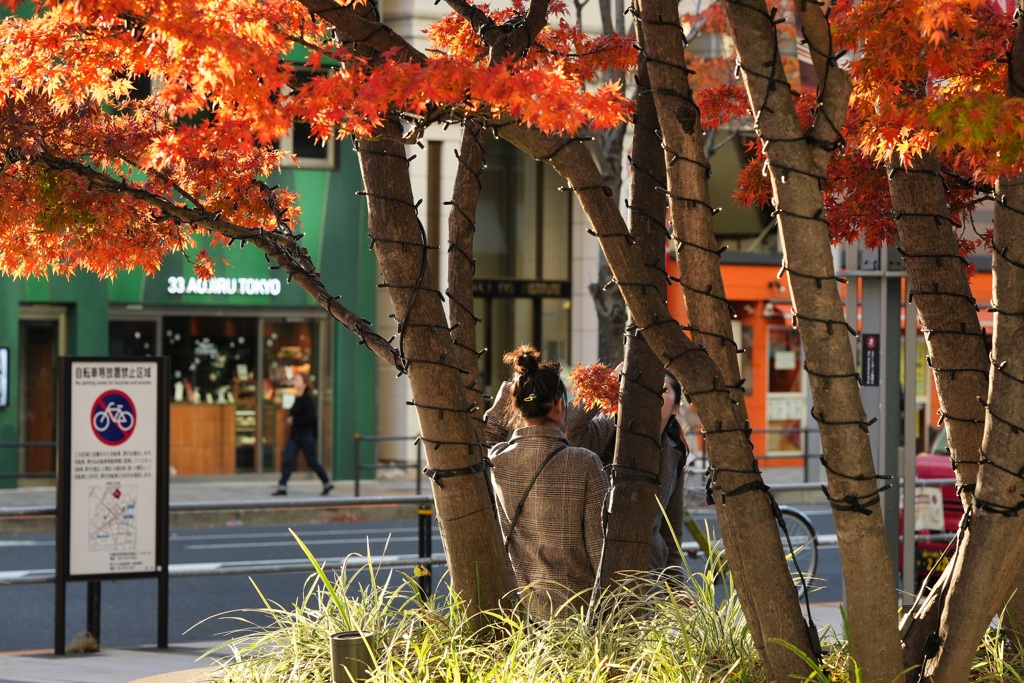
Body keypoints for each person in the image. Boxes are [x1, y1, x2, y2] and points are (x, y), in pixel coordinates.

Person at [486, 365, 688, 576]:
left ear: (675, 407)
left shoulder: (675, 452)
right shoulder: (609, 430)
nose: (650, 393)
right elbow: (570, 427)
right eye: (642, 386)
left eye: (662, 390)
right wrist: (604, 383)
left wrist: (676, 588)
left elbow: (671, 532)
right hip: (604, 575)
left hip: (650, 577)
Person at [485, 346, 609, 619]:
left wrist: (513, 385)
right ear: (559, 404)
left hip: (524, 611)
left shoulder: (497, 460)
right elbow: (601, 549)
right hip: (578, 611)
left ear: (515, 405)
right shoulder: (584, 463)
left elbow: (490, 429)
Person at [272, 372, 334, 496]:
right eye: (294, 380)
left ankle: (327, 482)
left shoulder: (307, 399)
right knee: (288, 459)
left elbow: (310, 417)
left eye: (297, 380)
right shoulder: (297, 397)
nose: (294, 382)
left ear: (304, 383)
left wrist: (294, 420)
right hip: (295, 434)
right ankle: (282, 486)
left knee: (312, 461)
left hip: (305, 435)